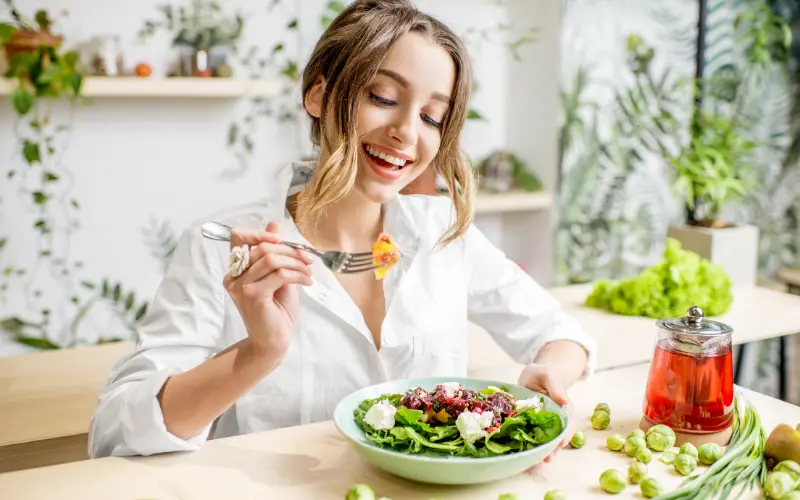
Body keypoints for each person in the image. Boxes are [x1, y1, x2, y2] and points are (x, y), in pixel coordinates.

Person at [88, 0, 598, 461]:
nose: (406, 132)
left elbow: (558, 333)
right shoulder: (223, 246)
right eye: (381, 97)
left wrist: (548, 376)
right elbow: (116, 432)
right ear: (318, 95)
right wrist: (257, 352)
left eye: (431, 116)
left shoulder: (443, 231)